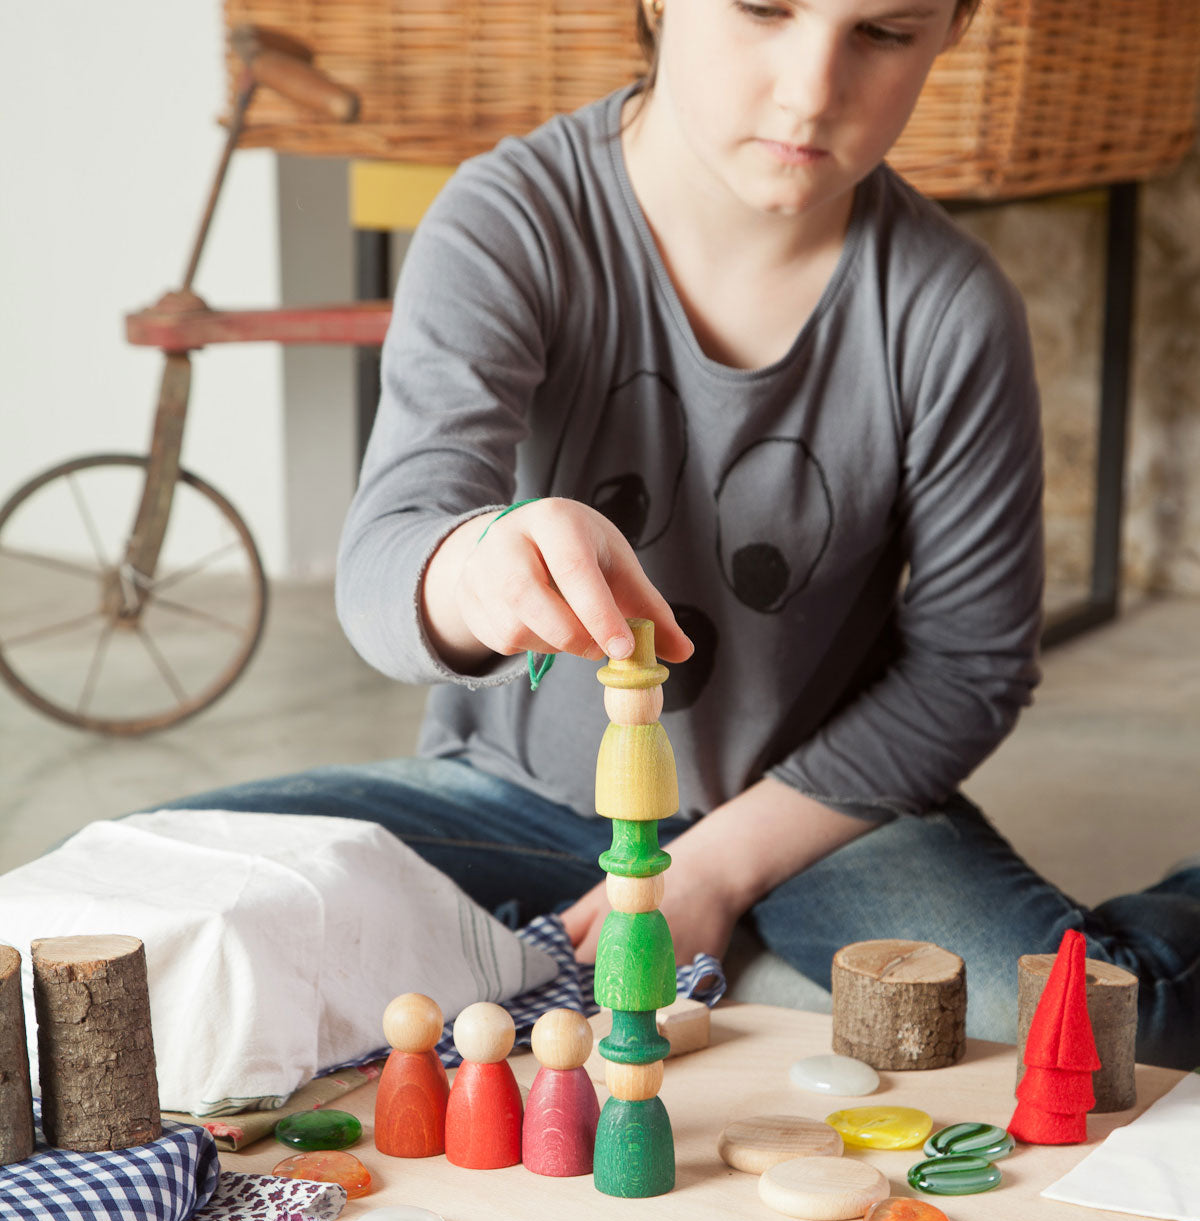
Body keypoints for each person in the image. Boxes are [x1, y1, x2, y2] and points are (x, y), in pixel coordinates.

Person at [172, 0, 1200, 1070]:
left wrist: (710, 870)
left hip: (817, 815)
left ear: (952, 28)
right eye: (763, 8)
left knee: (1101, 1032)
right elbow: (389, 553)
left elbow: (970, 666)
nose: (811, 90)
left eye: (883, 33)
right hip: (516, 801)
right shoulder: (511, 218)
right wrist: (476, 568)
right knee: (147, 898)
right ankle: (758, 966)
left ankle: (752, 934)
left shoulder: (950, 309)